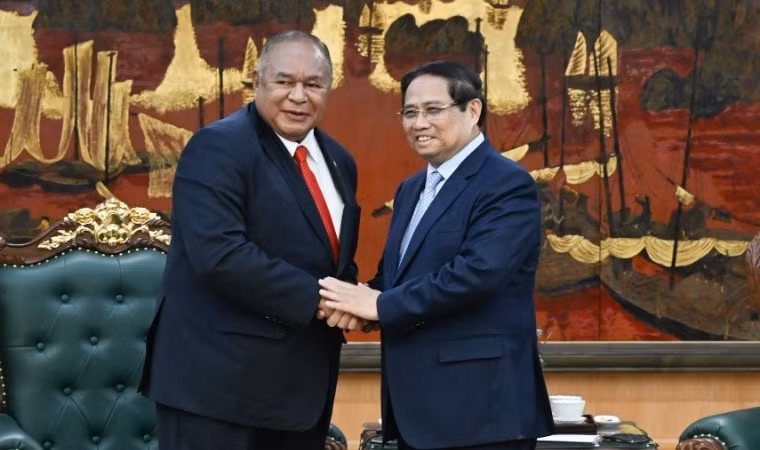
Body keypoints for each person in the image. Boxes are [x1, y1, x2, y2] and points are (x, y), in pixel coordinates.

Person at [140, 30, 362, 450]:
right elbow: (220, 255)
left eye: (313, 84)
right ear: (257, 82)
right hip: (218, 390)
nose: (299, 96)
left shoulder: (339, 160)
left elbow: (331, 259)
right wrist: (326, 301)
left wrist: (360, 299)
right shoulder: (217, 147)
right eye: (284, 81)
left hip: (302, 390)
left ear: (329, 89)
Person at [319, 61, 554, 450]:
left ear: (472, 110)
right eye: (409, 112)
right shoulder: (412, 189)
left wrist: (379, 305)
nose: (419, 123)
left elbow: (477, 274)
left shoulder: (506, 183)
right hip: (418, 411)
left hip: (480, 412)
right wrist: (354, 301)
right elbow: (397, 280)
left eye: (433, 110)